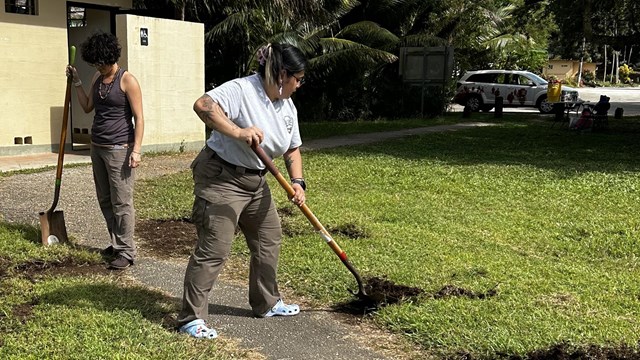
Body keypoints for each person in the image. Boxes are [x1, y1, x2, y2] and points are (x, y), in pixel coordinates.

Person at [177, 43, 307, 339]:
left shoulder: (287, 106)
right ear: (282, 74)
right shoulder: (243, 89)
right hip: (221, 176)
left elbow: (293, 150)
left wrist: (298, 182)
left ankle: (267, 303)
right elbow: (202, 105)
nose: (299, 85)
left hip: (256, 181)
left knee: (268, 238)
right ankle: (190, 318)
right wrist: (239, 131)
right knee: (215, 248)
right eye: (297, 79)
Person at [67, 31, 144, 270]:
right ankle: (117, 242)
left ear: (111, 57)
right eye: (95, 64)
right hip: (97, 146)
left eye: (101, 63)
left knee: (122, 202)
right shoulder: (97, 79)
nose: (98, 68)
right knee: (105, 199)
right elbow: (88, 106)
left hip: (120, 148)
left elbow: (139, 118)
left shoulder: (127, 80)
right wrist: (77, 81)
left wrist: (136, 150)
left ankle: (126, 252)